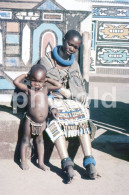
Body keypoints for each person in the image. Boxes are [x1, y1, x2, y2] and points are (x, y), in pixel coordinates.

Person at [39, 30, 98, 183]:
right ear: (63, 39)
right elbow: (38, 82)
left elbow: (78, 89)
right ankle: (67, 164)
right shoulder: (46, 61)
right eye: (69, 44)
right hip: (52, 100)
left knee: (83, 120)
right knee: (54, 122)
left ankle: (89, 163)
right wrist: (58, 89)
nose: (71, 48)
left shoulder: (74, 65)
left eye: (75, 47)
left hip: (71, 102)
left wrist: (80, 98)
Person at [13, 64, 62, 170]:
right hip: (29, 121)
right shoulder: (28, 89)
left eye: (40, 81)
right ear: (30, 78)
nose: (36, 84)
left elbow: (58, 86)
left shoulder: (45, 89)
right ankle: (23, 161)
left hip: (42, 123)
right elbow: (16, 82)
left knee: (40, 142)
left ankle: (40, 162)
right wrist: (25, 75)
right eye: (33, 80)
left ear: (44, 81)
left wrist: (47, 79)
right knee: (25, 140)